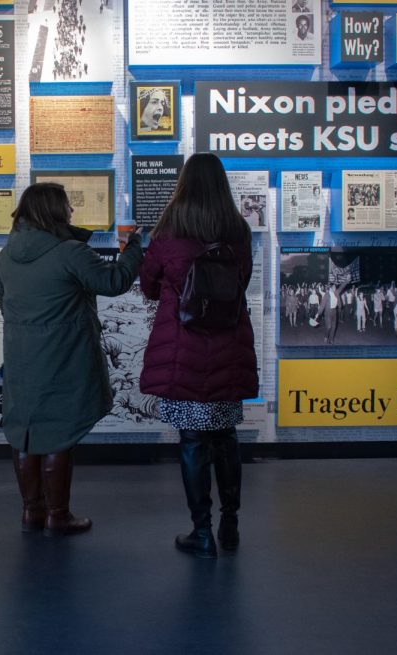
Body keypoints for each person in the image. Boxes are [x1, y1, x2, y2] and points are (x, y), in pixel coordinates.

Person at [0, 183, 143, 536]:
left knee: (25, 433)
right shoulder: (69, 252)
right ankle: (58, 515)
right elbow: (116, 280)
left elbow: (5, 306)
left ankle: (33, 512)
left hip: (21, 357)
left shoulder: (4, 257)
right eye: (66, 206)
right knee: (59, 433)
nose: (71, 212)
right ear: (53, 211)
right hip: (64, 354)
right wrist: (134, 246)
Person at [139, 153, 259, 559]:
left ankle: (201, 532)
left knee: (192, 440)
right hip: (228, 344)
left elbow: (150, 286)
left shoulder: (169, 230)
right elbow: (242, 280)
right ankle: (231, 524)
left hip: (183, 347)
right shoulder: (237, 229)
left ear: (184, 184)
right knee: (226, 437)